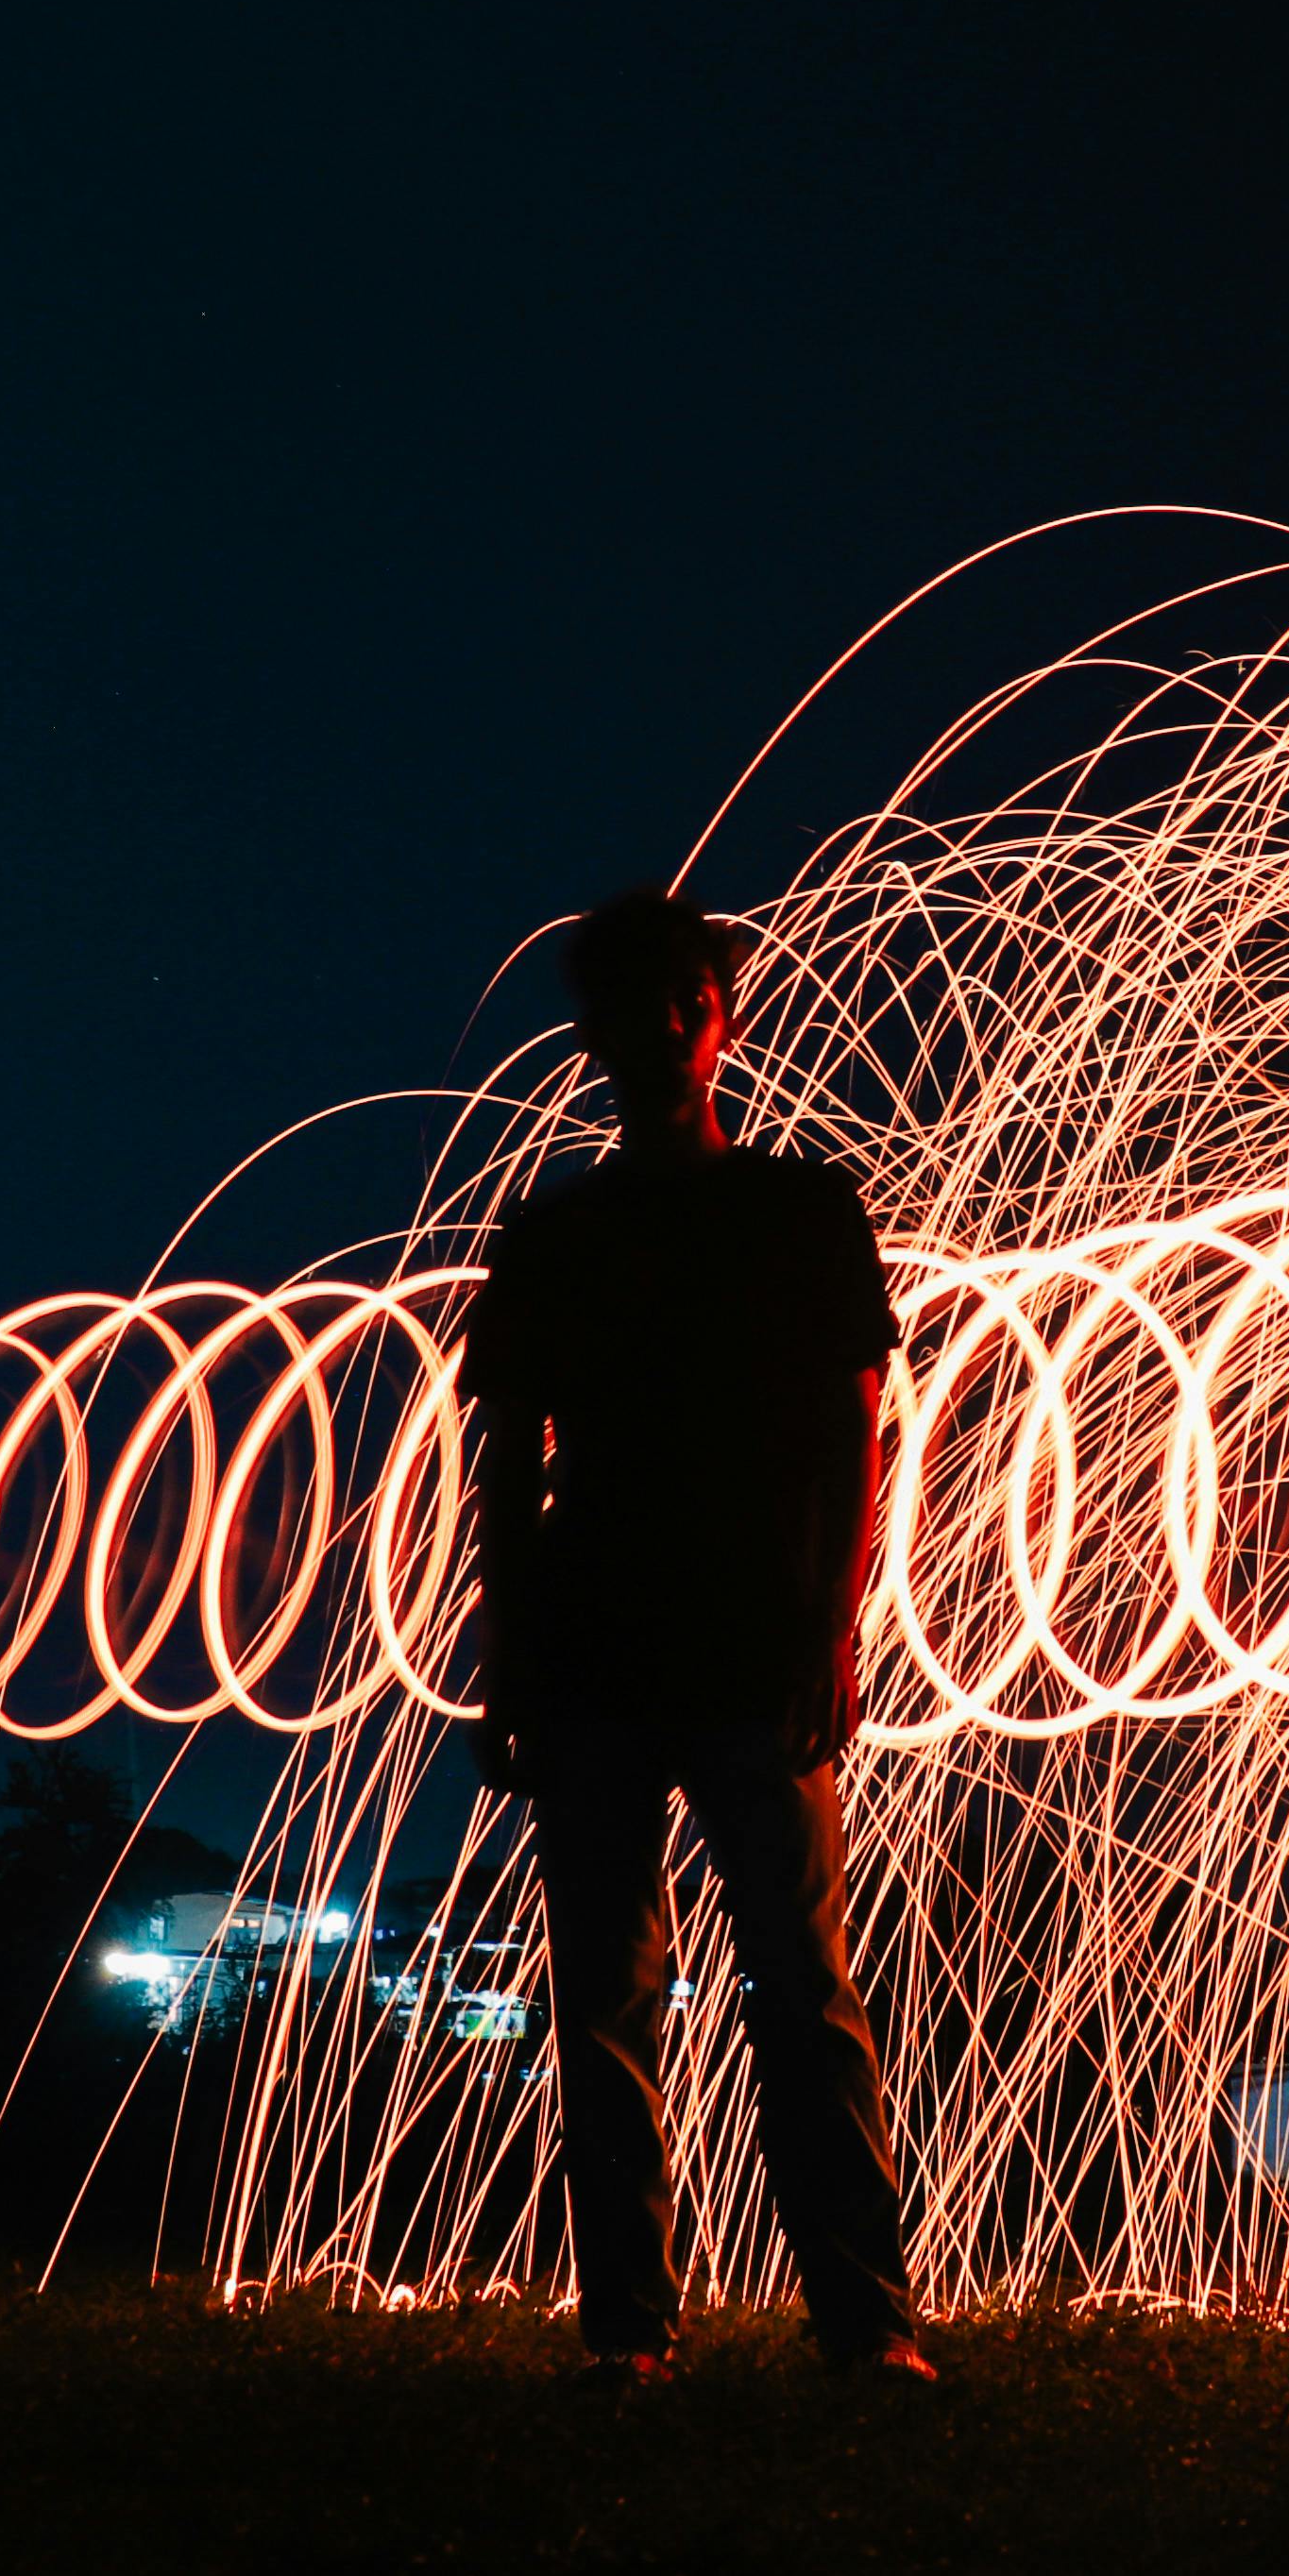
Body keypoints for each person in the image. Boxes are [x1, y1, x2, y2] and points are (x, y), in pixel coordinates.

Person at [465, 884, 935, 2389]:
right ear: (593, 1037)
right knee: (608, 1999)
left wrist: (833, 1633)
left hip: (748, 1649)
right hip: (604, 1648)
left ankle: (866, 2322)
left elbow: (860, 1435)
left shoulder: (802, 1209)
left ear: (718, 1018)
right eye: (633, 1007)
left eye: (687, 1000)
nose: (664, 1030)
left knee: (797, 1989)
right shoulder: (555, 1233)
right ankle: (632, 2335)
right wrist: (512, 1656)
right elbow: (505, 1462)